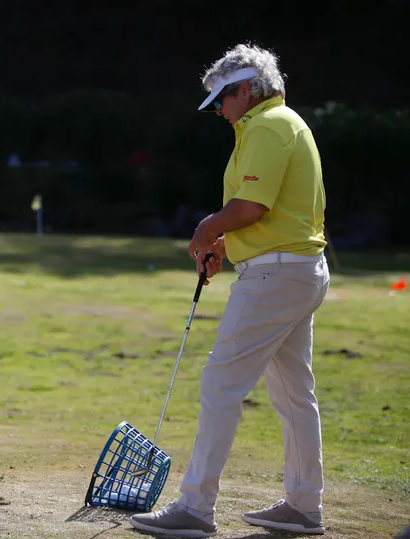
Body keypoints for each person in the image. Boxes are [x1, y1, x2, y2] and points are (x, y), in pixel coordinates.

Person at [130, 44, 329, 537]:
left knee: (221, 383)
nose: (219, 109)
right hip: (295, 269)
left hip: (277, 275)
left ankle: (195, 508)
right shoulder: (273, 124)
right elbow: (259, 211)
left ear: (245, 90)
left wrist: (207, 229)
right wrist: (227, 239)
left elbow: (251, 207)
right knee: (293, 394)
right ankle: (304, 506)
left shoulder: (267, 125)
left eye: (223, 98)